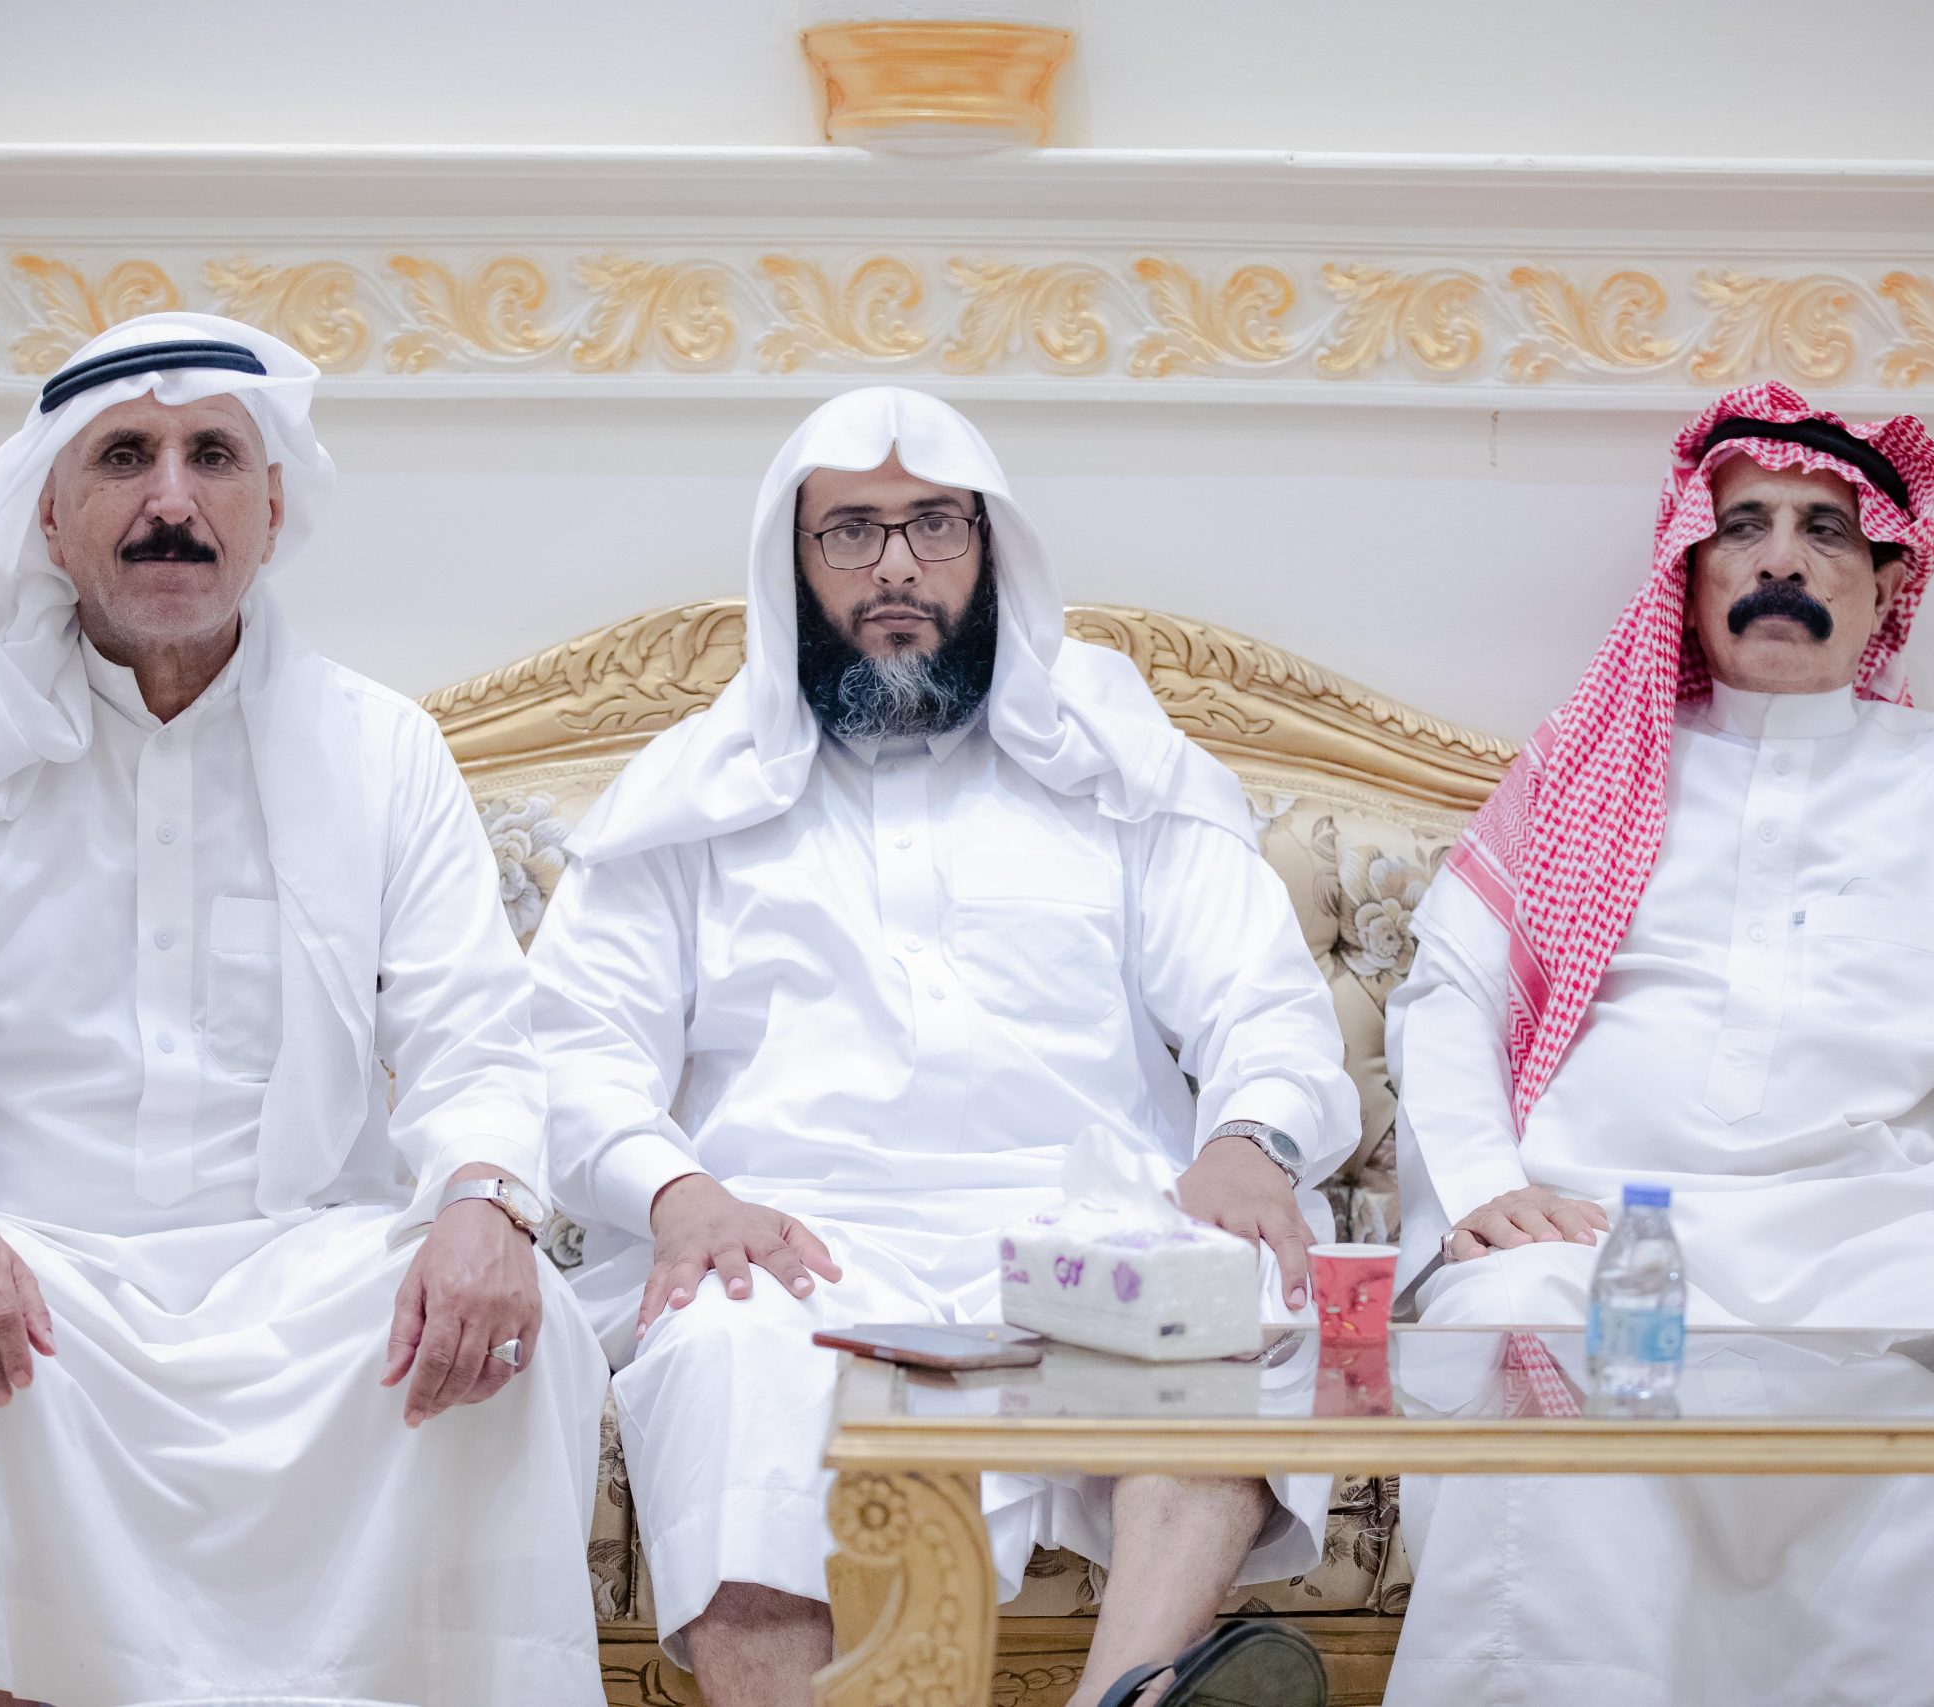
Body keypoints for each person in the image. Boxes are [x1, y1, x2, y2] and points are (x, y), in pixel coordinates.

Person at [0, 313, 609, 1707]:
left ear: (271, 509)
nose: (171, 499)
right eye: (125, 457)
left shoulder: (382, 749)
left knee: (519, 1342)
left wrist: (483, 1200)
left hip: (311, 1267)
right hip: (26, 1259)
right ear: (51, 515)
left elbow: (471, 1031)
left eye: (213, 457)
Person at [1381, 381, 1934, 1706]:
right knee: (1516, 1331)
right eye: (1745, 526)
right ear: (1691, 570)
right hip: (1609, 1236)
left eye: (1823, 529)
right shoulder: (1589, 767)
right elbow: (1449, 988)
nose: (1780, 555)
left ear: (1888, 584)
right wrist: (1485, 1189)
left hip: (1890, 1232)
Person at [527, 387, 1360, 1707]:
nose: (897, 565)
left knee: (1245, 1286)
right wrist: (681, 1197)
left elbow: (1262, 1002)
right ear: (795, 565)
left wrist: (1250, 1141)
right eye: (851, 531)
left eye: (933, 525)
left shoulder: (1117, 765)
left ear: (989, 547)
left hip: (1086, 1232)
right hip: (792, 1244)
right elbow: (571, 1055)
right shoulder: (692, 794)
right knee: (720, 1354)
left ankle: (1127, 1696)